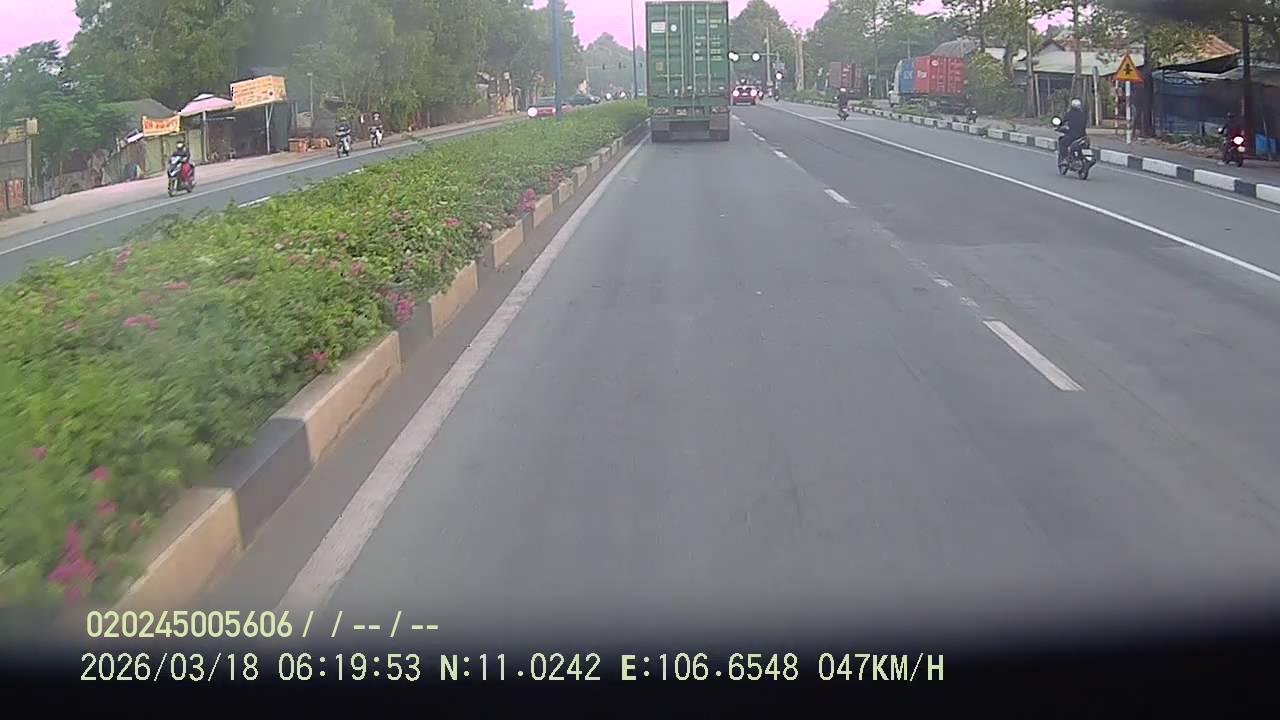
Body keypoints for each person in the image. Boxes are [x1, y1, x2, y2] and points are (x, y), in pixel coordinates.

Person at [1058, 98, 1088, 163]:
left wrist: (1060, 127)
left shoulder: (1069, 114)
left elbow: (1063, 122)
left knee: (1062, 143)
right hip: (1083, 136)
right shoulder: (1083, 114)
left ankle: (1064, 159)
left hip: (1072, 136)